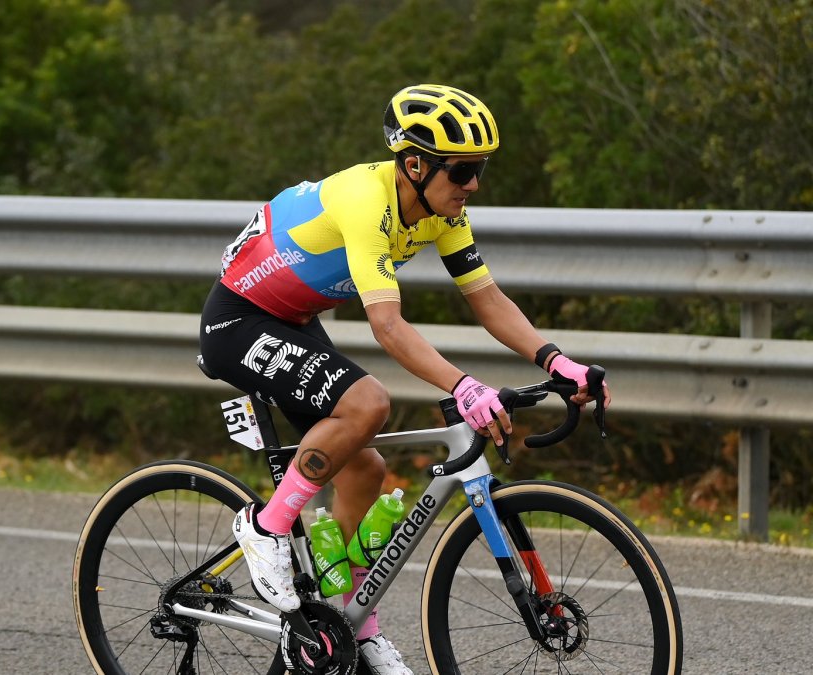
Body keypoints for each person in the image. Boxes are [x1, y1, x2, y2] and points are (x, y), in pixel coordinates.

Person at [198, 83, 611, 674]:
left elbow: (487, 299)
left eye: (480, 171)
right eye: (462, 171)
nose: (472, 186)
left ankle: (349, 624)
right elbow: (387, 326)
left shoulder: (443, 213)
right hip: (239, 319)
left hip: (293, 318)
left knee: (363, 468)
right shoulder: (368, 200)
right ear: (414, 164)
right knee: (369, 403)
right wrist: (463, 387)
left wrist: (557, 361)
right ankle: (264, 527)